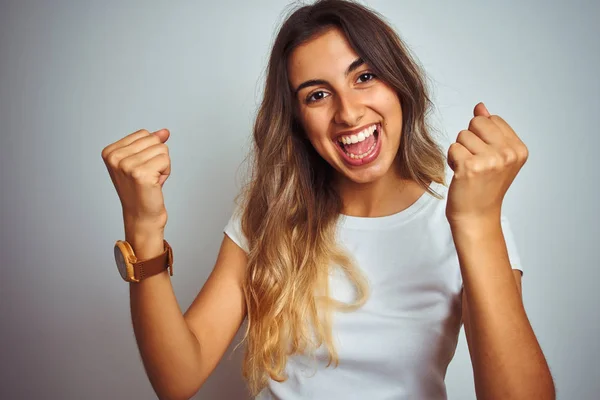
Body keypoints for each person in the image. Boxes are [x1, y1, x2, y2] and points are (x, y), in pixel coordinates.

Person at [101, 0, 555, 399]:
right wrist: (143, 228)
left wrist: (476, 222)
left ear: (399, 85)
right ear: (297, 119)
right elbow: (178, 378)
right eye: (317, 94)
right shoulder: (270, 214)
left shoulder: (462, 218)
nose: (349, 111)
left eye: (365, 76)